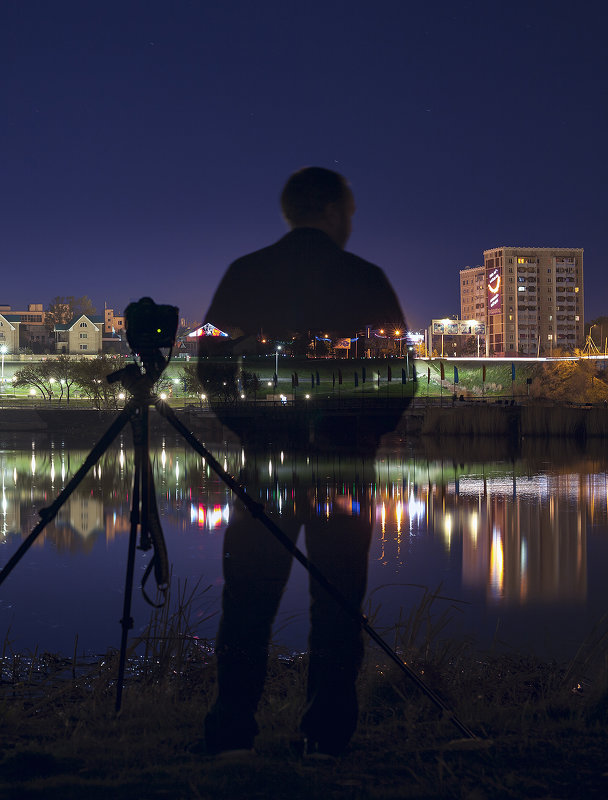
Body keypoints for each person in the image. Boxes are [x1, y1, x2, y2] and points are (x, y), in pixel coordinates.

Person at [196, 167, 414, 757]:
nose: (351, 222)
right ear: (331, 211)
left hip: (266, 468)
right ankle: (327, 731)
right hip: (346, 472)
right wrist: (363, 434)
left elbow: (210, 366)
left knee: (247, 600)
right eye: (350, 210)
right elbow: (398, 375)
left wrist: (253, 429)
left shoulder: (246, 274)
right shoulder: (366, 279)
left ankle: (232, 729)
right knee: (338, 601)